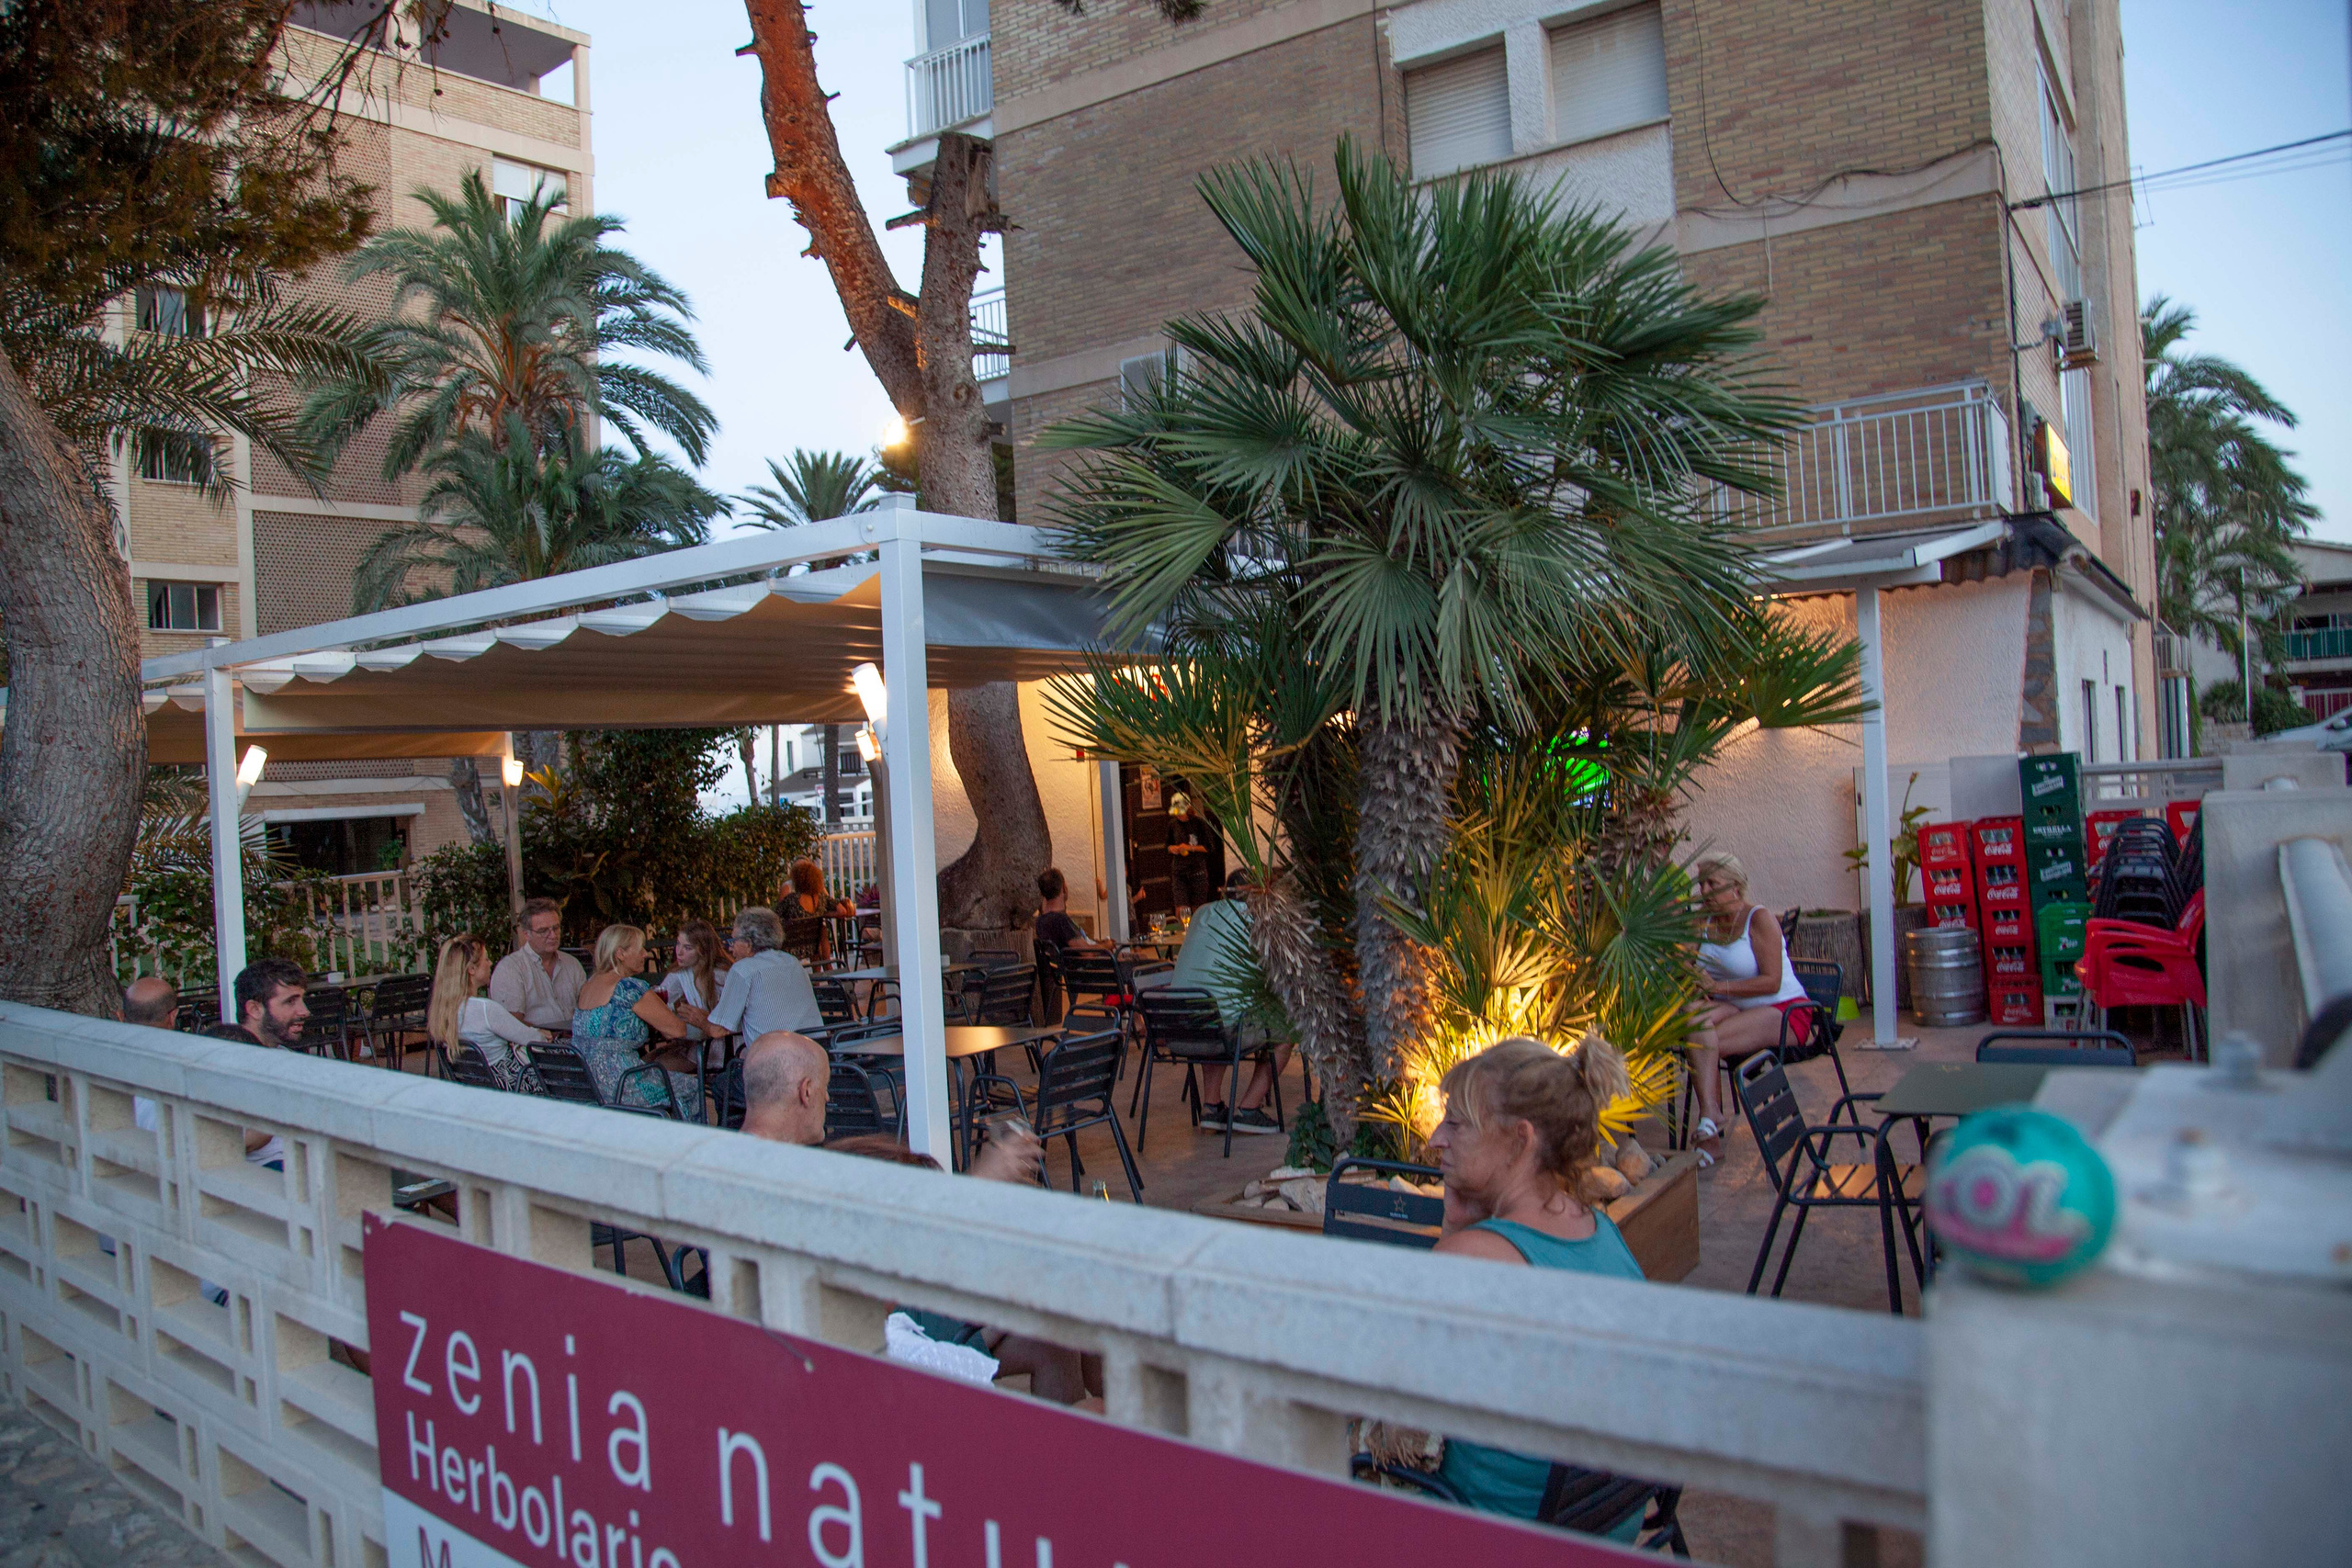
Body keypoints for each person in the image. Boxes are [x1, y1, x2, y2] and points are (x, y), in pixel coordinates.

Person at [735, 1038, 1097, 1406]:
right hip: (858, 1348)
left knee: (1055, 1338)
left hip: (878, 1319)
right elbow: (876, 1268)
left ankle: (1073, 1450)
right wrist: (979, 1184)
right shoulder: (764, 1177)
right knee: (1053, 1298)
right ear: (807, 1091)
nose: (829, 1100)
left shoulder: (752, 1159)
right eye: (826, 1088)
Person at [1423, 1035, 1647, 1542]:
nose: (1437, 1138)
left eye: (1456, 1123)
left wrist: (1454, 1230)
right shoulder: (1598, 1230)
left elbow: (1381, 1396)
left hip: (1501, 1536)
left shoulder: (1476, 1260)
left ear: (1521, 1141)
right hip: (1607, 1522)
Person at [1685, 851, 1807, 1166]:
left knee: (1703, 1044)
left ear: (1735, 886)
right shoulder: (1703, 921)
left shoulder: (1759, 918)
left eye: (1712, 883)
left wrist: (1716, 988)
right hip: (1734, 1007)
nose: (1704, 891)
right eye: (1701, 884)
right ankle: (1711, 1115)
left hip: (1784, 1009)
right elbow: (1681, 962)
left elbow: (1772, 982)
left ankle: (1709, 1135)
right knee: (1690, 1018)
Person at [1167, 869, 1291, 1135]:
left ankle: (1211, 1106)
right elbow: (1275, 973)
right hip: (1220, 1033)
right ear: (1253, 893)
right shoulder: (1256, 919)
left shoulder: (1201, 913)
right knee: (1286, 1029)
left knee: (1214, 1012)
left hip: (1177, 1030)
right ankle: (1249, 1108)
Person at [571, 924, 702, 1115]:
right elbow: (677, 1030)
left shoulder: (587, 986)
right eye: (640, 948)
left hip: (587, 1083)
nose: (646, 954)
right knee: (693, 1087)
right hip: (623, 1084)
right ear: (620, 954)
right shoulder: (629, 988)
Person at [426, 933, 548, 1088]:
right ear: (471, 969)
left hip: (477, 1085)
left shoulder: (443, 1011)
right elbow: (532, 1039)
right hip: (512, 1084)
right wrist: (543, 1034)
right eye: (486, 959)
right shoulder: (485, 1009)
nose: (490, 963)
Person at [705, 907, 822, 1042]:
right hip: (814, 1052)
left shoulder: (743, 970)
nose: (731, 948)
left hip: (775, 1057)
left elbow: (718, 1029)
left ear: (749, 944)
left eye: (734, 941)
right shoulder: (792, 961)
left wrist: (699, 1019)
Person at [490, 897, 584, 1031]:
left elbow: (588, 1008)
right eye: (543, 931)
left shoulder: (572, 964)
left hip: (573, 1042)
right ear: (526, 934)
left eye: (556, 928)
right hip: (533, 1045)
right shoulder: (511, 968)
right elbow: (511, 1023)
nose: (553, 935)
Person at [657, 919, 729, 1044]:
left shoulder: (720, 975)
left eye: (687, 948)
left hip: (719, 1044)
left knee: (656, 1064)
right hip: (694, 1041)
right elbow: (659, 999)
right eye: (678, 944)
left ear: (703, 950)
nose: (679, 952)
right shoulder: (682, 972)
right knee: (650, 1060)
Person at [233, 957, 311, 1049]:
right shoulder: (229, 1061)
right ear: (255, 1009)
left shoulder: (282, 1056)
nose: (305, 1012)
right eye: (290, 1001)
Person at [1033, 867, 1109, 953]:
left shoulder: (1040, 921)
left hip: (1059, 965)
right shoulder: (1061, 920)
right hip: (1079, 965)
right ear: (1064, 888)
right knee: (1121, 958)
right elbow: (1087, 952)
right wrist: (1106, 946)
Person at [1166, 793, 1217, 913]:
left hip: (1197, 871)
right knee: (1181, 909)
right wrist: (1172, 848)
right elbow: (1167, 845)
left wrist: (1190, 848)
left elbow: (1209, 848)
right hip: (1179, 871)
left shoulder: (1199, 823)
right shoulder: (1172, 825)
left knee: (1198, 910)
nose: (1178, 815)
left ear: (1188, 808)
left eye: (1181, 812)